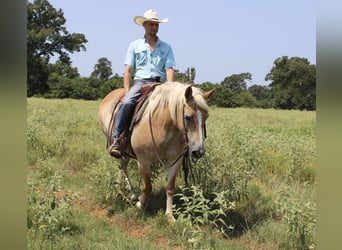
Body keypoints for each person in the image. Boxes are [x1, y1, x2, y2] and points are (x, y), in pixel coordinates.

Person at [109, 9, 176, 158]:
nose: (154, 27)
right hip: (141, 82)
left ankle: (181, 143)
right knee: (127, 103)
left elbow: (169, 69)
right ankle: (118, 139)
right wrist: (127, 91)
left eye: (156, 25)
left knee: (176, 107)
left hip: (160, 84)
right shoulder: (134, 45)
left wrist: (170, 88)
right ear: (144, 25)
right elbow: (128, 70)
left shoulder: (166, 47)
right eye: (151, 24)